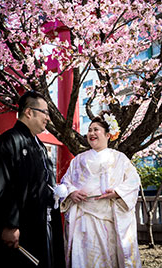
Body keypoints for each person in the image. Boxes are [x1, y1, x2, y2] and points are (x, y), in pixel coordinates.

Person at [0, 91, 65, 268]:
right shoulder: (8, 141)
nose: (48, 118)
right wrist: (10, 225)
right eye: (45, 112)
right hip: (20, 226)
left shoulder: (40, 146)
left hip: (42, 222)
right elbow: (1, 184)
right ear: (29, 112)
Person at [60, 112, 142, 268]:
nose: (91, 133)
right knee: (83, 260)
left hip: (109, 217)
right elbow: (66, 182)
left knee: (108, 260)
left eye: (96, 129)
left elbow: (133, 181)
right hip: (83, 218)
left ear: (108, 135)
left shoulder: (119, 158)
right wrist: (72, 192)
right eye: (89, 130)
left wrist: (117, 192)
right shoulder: (78, 160)